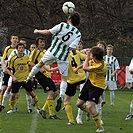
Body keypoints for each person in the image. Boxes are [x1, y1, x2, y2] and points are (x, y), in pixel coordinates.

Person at [25, 12, 81, 112]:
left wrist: (37, 31)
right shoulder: (78, 33)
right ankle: (61, 96)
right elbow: (73, 48)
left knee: (40, 64)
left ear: (69, 19)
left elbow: (48, 32)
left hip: (52, 51)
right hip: (63, 56)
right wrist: (74, 52)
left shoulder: (62, 25)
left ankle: (28, 78)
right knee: (64, 78)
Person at [28, 37, 60, 119]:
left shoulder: (46, 51)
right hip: (40, 75)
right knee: (50, 93)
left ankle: (43, 109)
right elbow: (29, 62)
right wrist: (39, 68)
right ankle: (52, 114)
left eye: (43, 42)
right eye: (40, 42)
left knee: (55, 93)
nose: (42, 43)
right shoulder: (35, 51)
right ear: (37, 43)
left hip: (47, 74)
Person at [76, 46, 106, 132]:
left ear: (95, 57)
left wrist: (87, 56)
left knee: (90, 106)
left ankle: (100, 127)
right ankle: (89, 112)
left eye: (92, 54)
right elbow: (88, 63)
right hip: (90, 83)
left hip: (98, 86)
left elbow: (86, 68)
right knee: (79, 104)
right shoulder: (95, 60)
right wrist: (78, 67)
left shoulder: (100, 66)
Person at [5, 43, 40, 113]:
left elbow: (30, 66)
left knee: (32, 93)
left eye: (22, 48)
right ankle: (12, 109)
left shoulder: (27, 57)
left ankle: (37, 108)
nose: (21, 49)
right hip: (17, 79)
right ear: (17, 49)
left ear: (24, 49)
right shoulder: (13, 58)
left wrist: (31, 75)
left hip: (26, 79)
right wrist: (13, 77)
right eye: (20, 48)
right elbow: (8, 69)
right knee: (13, 95)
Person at [63, 46, 86, 125]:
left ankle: (71, 120)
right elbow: (87, 59)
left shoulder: (63, 55)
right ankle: (90, 112)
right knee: (83, 99)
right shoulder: (77, 52)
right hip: (82, 78)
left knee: (66, 100)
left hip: (72, 80)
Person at [0, 34, 18, 106]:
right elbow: (3, 60)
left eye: (16, 38)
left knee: (14, 89)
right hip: (8, 70)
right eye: (13, 38)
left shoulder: (19, 49)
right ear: (11, 40)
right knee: (4, 87)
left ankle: (14, 106)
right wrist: (5, 67)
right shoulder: (7, 48)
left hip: (16, 71)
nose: (15, 40)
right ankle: (1, 103)